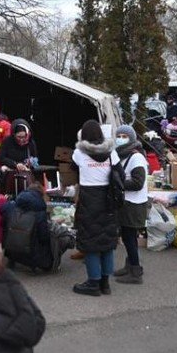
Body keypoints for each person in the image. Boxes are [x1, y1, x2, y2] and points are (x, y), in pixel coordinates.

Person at [71, 120, 121, 296]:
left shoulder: (79, 153)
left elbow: (73, 169)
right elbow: (120, 174)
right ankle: (105, 284)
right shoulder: (111, 152)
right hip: (108, 200)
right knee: (107, 242)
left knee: (90, 243)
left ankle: (93, 283)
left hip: (89, 201)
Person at [113, 125, 149, 285]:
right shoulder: (122, 155)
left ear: (131, 138)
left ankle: (135, 271)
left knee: (129, 237)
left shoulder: (136, 157)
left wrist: (118, 183)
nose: (120, 139)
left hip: (134, 204)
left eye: (124, 136)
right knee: (129, 238)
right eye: (118, 136)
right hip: (127, 202)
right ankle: (130, 265)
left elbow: (137, 183)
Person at [0, 183, 54, 271]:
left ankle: (12, 259)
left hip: (11, 247)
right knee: (50, 235)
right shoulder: (40, 210)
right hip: (31, 251)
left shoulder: (11, 206)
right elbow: (43, 236)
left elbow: (2, 221)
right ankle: (44, 263)